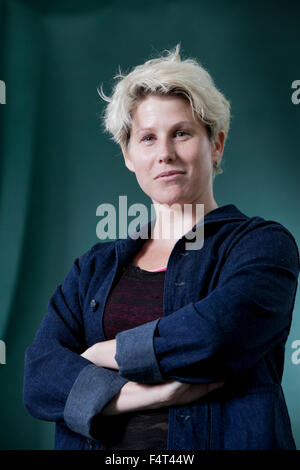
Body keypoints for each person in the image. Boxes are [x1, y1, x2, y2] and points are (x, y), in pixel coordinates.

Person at [23, 44, 300, 450]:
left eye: (182, 133)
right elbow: (39, 377)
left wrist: (106, 351)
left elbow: (217, 335)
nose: (165, 154)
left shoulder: (263, 246)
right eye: (148, 138)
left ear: (216, 144)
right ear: (129, 155)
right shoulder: (93, 269)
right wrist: (150, 395)